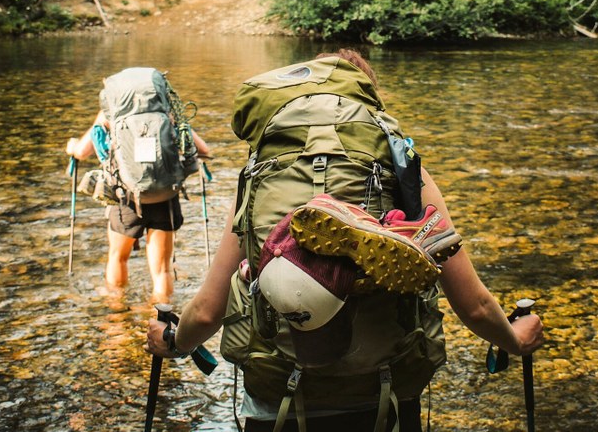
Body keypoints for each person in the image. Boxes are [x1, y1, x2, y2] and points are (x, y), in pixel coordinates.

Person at [145, 50, 543, 430]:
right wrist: (515, 340)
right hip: (385, 390)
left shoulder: (261, 174)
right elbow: (473, 306)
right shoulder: (402, 169)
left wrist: (174, 342)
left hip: (279, 393)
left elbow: (207, 312)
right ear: (368, 104)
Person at [66, 90, 211, 304]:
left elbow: (81, 152)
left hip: (126, 197)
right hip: (164, 196)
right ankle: (160, 316)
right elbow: (203, 150)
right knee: (162, 270)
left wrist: (72, 147)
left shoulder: (111, 111)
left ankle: (118, 312)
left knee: (118, 257)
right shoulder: (167, 109)